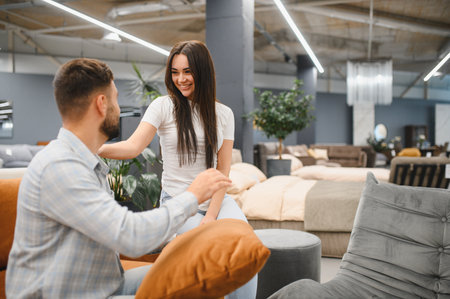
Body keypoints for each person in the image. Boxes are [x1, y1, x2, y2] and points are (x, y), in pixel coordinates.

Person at [6, 58, 232, 298]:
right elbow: (129, 236)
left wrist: (175, 238)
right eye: (115, 98)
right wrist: (192, 195)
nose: (118, 107)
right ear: (102, 104)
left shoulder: (86, 162)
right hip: (68, 293)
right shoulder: (61, 167)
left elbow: (112, 231)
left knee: (203, 276)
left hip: (103, 282)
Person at [98, 40, 257, 298]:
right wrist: (94, 148)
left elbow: (222, 169)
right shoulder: (163, 106)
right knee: (219, 249)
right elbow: (132, 147)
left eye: (187, 71)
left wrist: (210, 217)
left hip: (217, 201)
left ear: (202, 71)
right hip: (179, 201)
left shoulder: (224, 114)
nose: (180, 79)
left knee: (247, 248)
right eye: (175, 72)